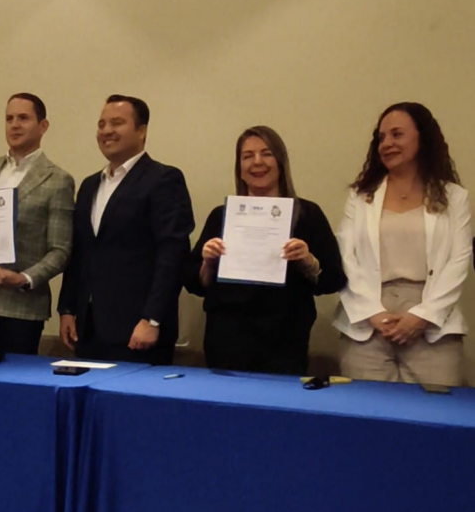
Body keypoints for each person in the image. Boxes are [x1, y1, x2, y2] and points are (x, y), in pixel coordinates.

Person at [186, 126, 346, 375]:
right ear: (239, 167)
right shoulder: (222, 216)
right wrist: (208, 262)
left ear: (280, 162)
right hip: (227, 339)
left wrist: (308, 261)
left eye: (266, 153)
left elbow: (333, 279)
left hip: (284, 340)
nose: (257, 162)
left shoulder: (308, 215)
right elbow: (195, 284)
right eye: (247, 156)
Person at [334, 102, 472, 386]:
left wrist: (423, 316)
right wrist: (373, 313)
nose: (387, 144)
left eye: (397, 134)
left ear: (422, 138)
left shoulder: (454, 197)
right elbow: (346, 257)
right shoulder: (360, 197)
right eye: (381, 138)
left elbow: (459, 261)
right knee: (367, 409)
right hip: (368, 322)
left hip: (432, 325)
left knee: (434, 409)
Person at [58, 94, 194, 365]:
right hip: (89, 330)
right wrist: (68, 308)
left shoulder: (163, 179)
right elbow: (80, 252)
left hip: (139, 331)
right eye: (101, 124)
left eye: (117, 123)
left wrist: (152, 319)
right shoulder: (89, 186)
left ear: (141, 131)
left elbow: (172, 255)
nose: (106, 130)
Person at [0, 93, 74, 355]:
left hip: (21, 308)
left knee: (12, 380)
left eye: (23, 118)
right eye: (9, 119)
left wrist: (23, 278)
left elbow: (60, 250)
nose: (15, 125)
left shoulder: (58, 180)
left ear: (43, 126)